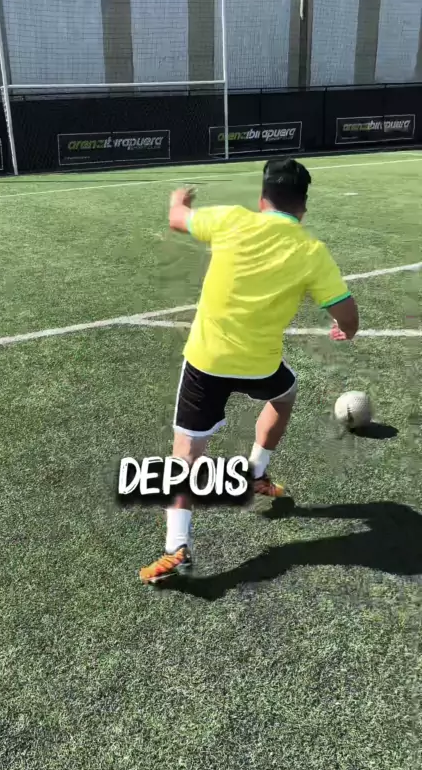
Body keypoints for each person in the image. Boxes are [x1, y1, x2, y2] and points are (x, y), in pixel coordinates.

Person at [139, 157, 359, 584]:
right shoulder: (311, 252)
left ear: (262, 199)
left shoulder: (231, 221)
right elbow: (347, 314)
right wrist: (345, 329)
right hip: (260, 365)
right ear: (303, 207)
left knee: (186, 454)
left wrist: (179, 199)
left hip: (206, 362)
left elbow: (177, 219)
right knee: (285, 393)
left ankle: (175, 548)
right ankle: (256, 470)